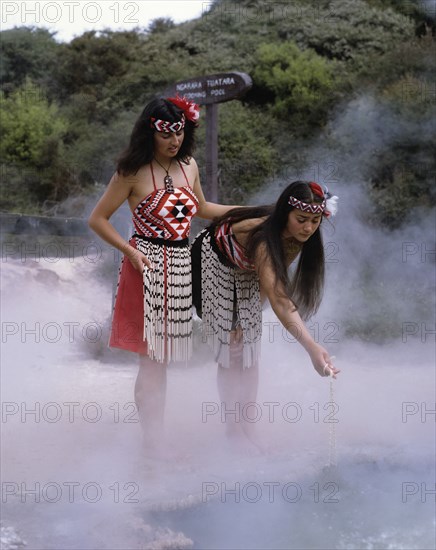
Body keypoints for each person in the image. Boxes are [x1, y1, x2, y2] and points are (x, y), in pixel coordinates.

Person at [88, 95, 235, 457]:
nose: (174, 140)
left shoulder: (189, 166)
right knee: (152, 359)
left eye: (180, 132)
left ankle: (156, 441)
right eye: (166, 133)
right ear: (149, 131)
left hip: (180, 263)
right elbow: (97, 219)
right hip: (146, 264)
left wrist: (251, 210)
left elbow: (201, 208)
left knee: (164, 358)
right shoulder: (131, 172)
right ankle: (153, 445)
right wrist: (130, 252)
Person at [191, 180, 341, 451]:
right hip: (211, 265)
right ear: (286, 215)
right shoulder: (263, 236)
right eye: (302, 219)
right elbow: (281, 301)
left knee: (249, 346)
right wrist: (312, 348)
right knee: (232, 350)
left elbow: (268, 284)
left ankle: (248, 425)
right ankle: (233, 431)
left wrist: (247, 319)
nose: (308, 227)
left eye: (315, 220)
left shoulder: (298, 236)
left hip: (247, 268)